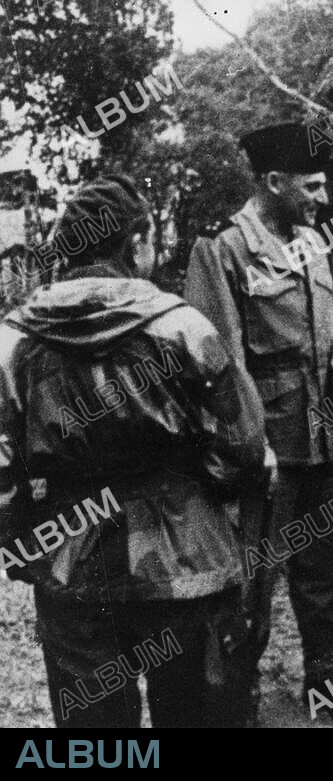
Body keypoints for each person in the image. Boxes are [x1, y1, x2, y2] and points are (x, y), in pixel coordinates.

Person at [0, 174, 266, 728]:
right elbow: (243, 444)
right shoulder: (182, 326)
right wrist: (211, 487)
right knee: (193, 713)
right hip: (185, 557)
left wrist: (22, 543)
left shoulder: (15, 341)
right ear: (135, 242)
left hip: (72, 556)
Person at [185, 122, 333, 727]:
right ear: (273, 181)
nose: (322, 198)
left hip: (321, 438)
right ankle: (236, 696)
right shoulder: (224, 252)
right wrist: (250, 444)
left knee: (326, 570)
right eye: (312, 186)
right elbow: (219, 361)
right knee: (250, 583)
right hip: (265, 450)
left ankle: (325, 676)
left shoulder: (315, 244)